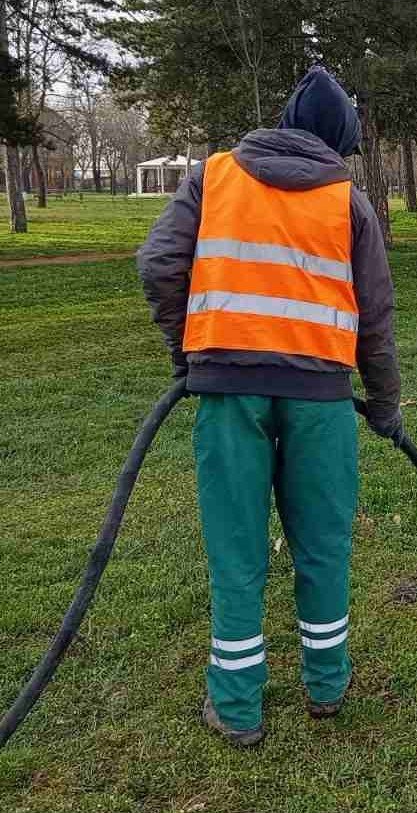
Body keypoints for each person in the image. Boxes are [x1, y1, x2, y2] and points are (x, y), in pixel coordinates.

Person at [136, 66, 403, 748]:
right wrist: (385, 402)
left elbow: (158, 264)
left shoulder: (214, 176)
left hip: (228, 394)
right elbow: (374, 317)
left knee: (236, 551)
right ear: (338, 143)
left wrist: (189, 348)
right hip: (321, 400)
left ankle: (236, 705)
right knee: (322, 544)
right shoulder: (348, 201)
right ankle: (327, 683)